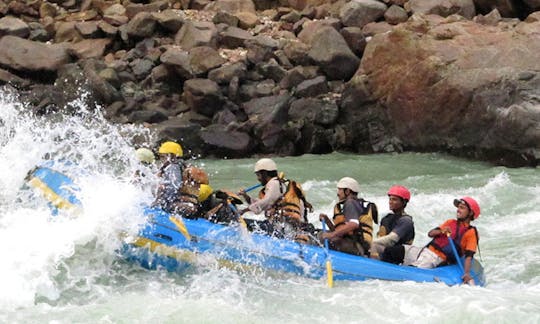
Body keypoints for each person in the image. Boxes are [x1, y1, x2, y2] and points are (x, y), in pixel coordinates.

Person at [403, 196, 481, 284]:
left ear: (470, 213)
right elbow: (430, 233)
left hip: (435, 258)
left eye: (462, 208)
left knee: (413, 273)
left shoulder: (471, 233)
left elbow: (469, 255)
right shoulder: (450, 222)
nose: (458, 210)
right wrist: (441, 231)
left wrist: (466, 273)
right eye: (458, 207)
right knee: (394, 251)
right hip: (423, 251)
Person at [238, 158, 310, 238]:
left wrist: (243, 211)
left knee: (242, 223)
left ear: (264, 173)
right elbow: (263, 203)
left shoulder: (274, 184)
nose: (258, 179)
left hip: (283, 229)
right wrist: (246, 196)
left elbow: (265, 202)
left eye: (258, 175)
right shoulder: (281, 183)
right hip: (290, 228)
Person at [319, 177, 377, 256]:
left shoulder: (350, 203)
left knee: (320, 236)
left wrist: (331, 235)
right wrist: (327, 221)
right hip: (357, 245)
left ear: (347, 191)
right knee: (323, 234)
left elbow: (354, 224)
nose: (338, 193)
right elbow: (341, 232)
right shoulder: (357, 204)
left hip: (356, 247)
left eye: (340, 190)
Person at [371, 185, 415, 263]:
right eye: (390, 199)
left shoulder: (406, 220)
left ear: (403, 202)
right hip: (386, 252)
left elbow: (392, 239)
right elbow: (380, 237)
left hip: (400, 256)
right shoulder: (386, 218)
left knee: (374, 245)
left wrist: (372, 243)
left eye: (394, 199)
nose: (390, 202)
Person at [153, 141, 185, 212]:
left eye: (163, 156)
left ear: (172, 156)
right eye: (160, 156)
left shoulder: (173, 167)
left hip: (172, 199)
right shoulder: (170, 166)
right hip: (172, 197)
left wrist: (162, 186)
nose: (161, 159)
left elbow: (175, 187)